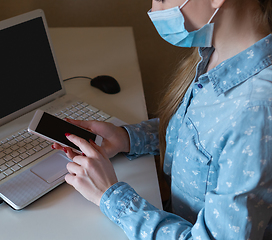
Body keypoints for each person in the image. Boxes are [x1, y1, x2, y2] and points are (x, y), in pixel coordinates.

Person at [52, 0, 272, 239]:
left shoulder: (255, 112)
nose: (154, 9)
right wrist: (127, 138)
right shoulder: (218, 56)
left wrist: (111, 195)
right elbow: (202, 135)